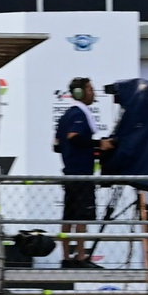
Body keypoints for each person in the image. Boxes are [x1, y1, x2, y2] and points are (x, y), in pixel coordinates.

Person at [56, 77, 99, 269]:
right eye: (90, 89)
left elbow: (57, 145)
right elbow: (73, 137)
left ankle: (66, 257)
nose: (93, 93)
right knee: (82, 217)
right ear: (80, 93)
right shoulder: (78, 114)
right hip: (81, 173)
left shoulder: (66, 115)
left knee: (69, 217)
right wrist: (98, 144)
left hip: (70, 172)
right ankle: (81, 257)